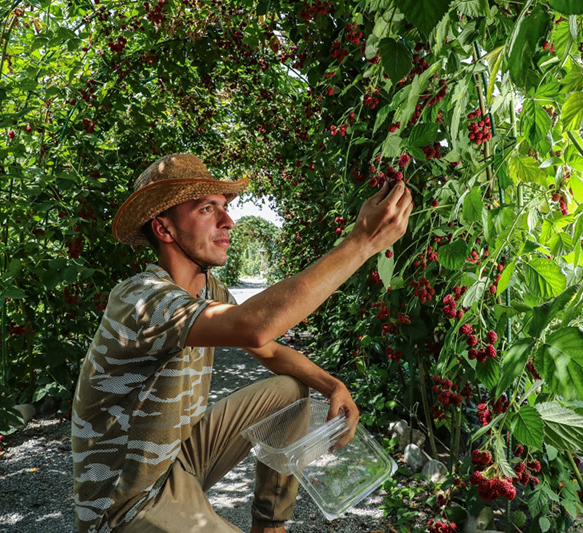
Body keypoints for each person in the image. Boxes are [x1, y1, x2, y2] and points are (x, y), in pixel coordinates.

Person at [71, 153, 413, 533]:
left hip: (179, 461)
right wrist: (361, 242)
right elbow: (252, 326)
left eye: (225, 207)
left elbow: (269, 349)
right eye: (207, 209)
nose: (228, 221)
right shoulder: (141, 298)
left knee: (291, 392)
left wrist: (334, 386)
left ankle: (269, 526)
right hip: (129, 503)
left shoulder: (210, 292)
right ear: (164, 229)